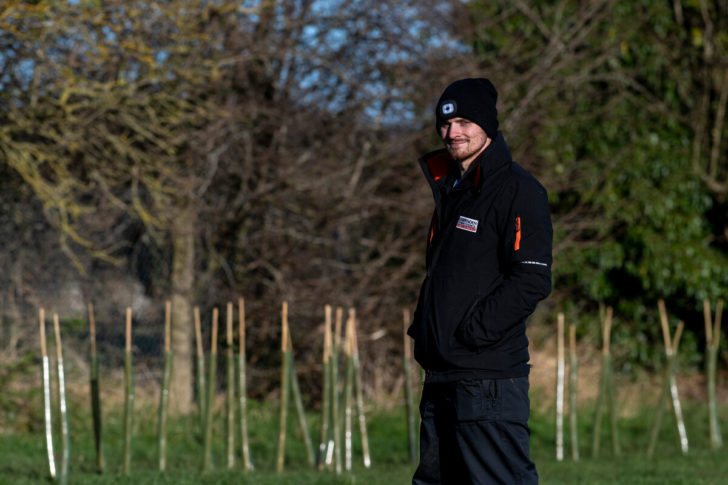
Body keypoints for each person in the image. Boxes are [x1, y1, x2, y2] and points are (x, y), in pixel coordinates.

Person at [408, 78, 553, 485]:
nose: (452, 133)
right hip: (441, 377)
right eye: (445, 123)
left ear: (488, 125)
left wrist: (473, 332)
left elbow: (532, 279)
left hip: (487, 379)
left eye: (465, 122)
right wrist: (427, 334)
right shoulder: (453, 190)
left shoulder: (518, 191)